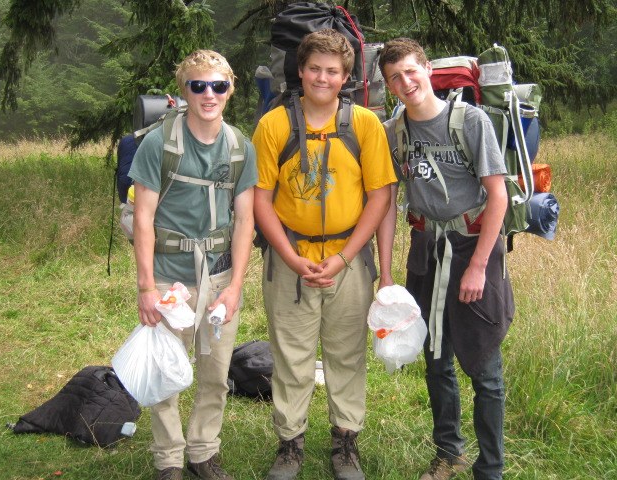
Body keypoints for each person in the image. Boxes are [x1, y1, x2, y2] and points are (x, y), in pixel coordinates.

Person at [252, 29, 397, 480]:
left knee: (347, 352)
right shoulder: (274, 124)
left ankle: (345, 442)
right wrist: (292, 258)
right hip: (288, 255)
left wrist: (344, 257)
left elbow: (380, 196)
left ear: (346, 76)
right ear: (300, 70)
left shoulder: (365, 125)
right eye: (314, 68)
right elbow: (260, 198)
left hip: (347, 257)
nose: (322, 77)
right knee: (291, 353)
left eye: (332, 71)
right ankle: (290, 443)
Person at [377, 38, 514, 480]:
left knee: (484, 363)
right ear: (389, 86)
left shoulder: (470, 121)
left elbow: (498, 195)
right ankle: (449, 453)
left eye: (411, 71)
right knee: (436, 360)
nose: (406, 82)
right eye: (395, 77)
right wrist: (385, 271)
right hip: (426, 253)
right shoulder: (394, 132)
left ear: (428, 70)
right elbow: (388, 198)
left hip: (473, 249)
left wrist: (478, 266)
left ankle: (490, 467)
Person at [128, 50, 257, 480]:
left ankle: (203, 452)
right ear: (184, 90)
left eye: (218, 85)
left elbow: (245, 221)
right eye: (198, 85)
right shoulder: (158, 144)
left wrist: (235, 285)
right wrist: (146, 287)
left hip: (218, 274)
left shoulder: (240, 146)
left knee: (215, 373)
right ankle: (168, 460)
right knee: (165, 371)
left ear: (230, 90)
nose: (209, 94)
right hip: (168, 276)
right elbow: (143, 218)